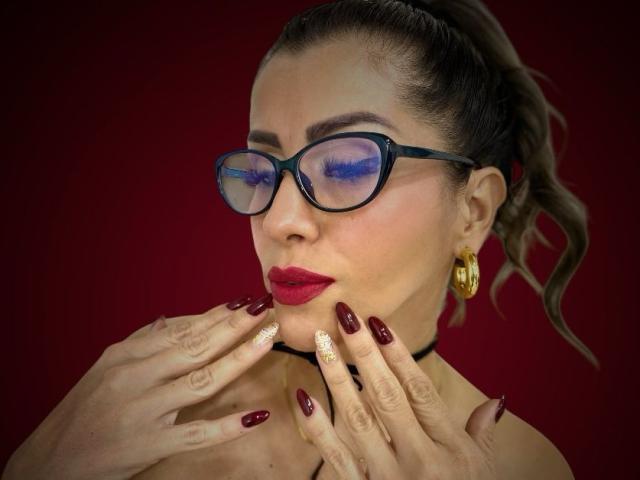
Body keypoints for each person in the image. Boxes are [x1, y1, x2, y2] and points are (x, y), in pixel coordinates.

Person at [2, 0, 598, 478]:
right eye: (261, 171)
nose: (279, 220)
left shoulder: (523, 467)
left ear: (473, 210)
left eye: (345, 167)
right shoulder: (144, 415)